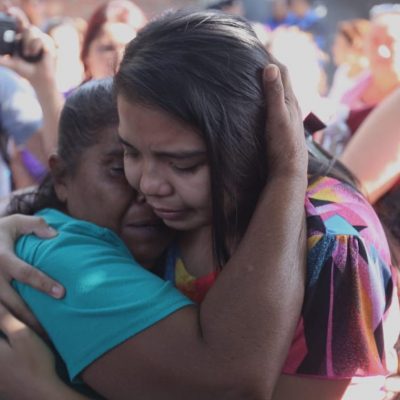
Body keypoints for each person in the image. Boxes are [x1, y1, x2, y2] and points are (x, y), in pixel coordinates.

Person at [0, 9, 398, 400]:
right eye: (130, 154)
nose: (148, 186)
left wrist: (46, 392)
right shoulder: (184, 214)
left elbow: (230, 383)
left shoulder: (334, 243)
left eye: (183, 163)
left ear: (254, 140)